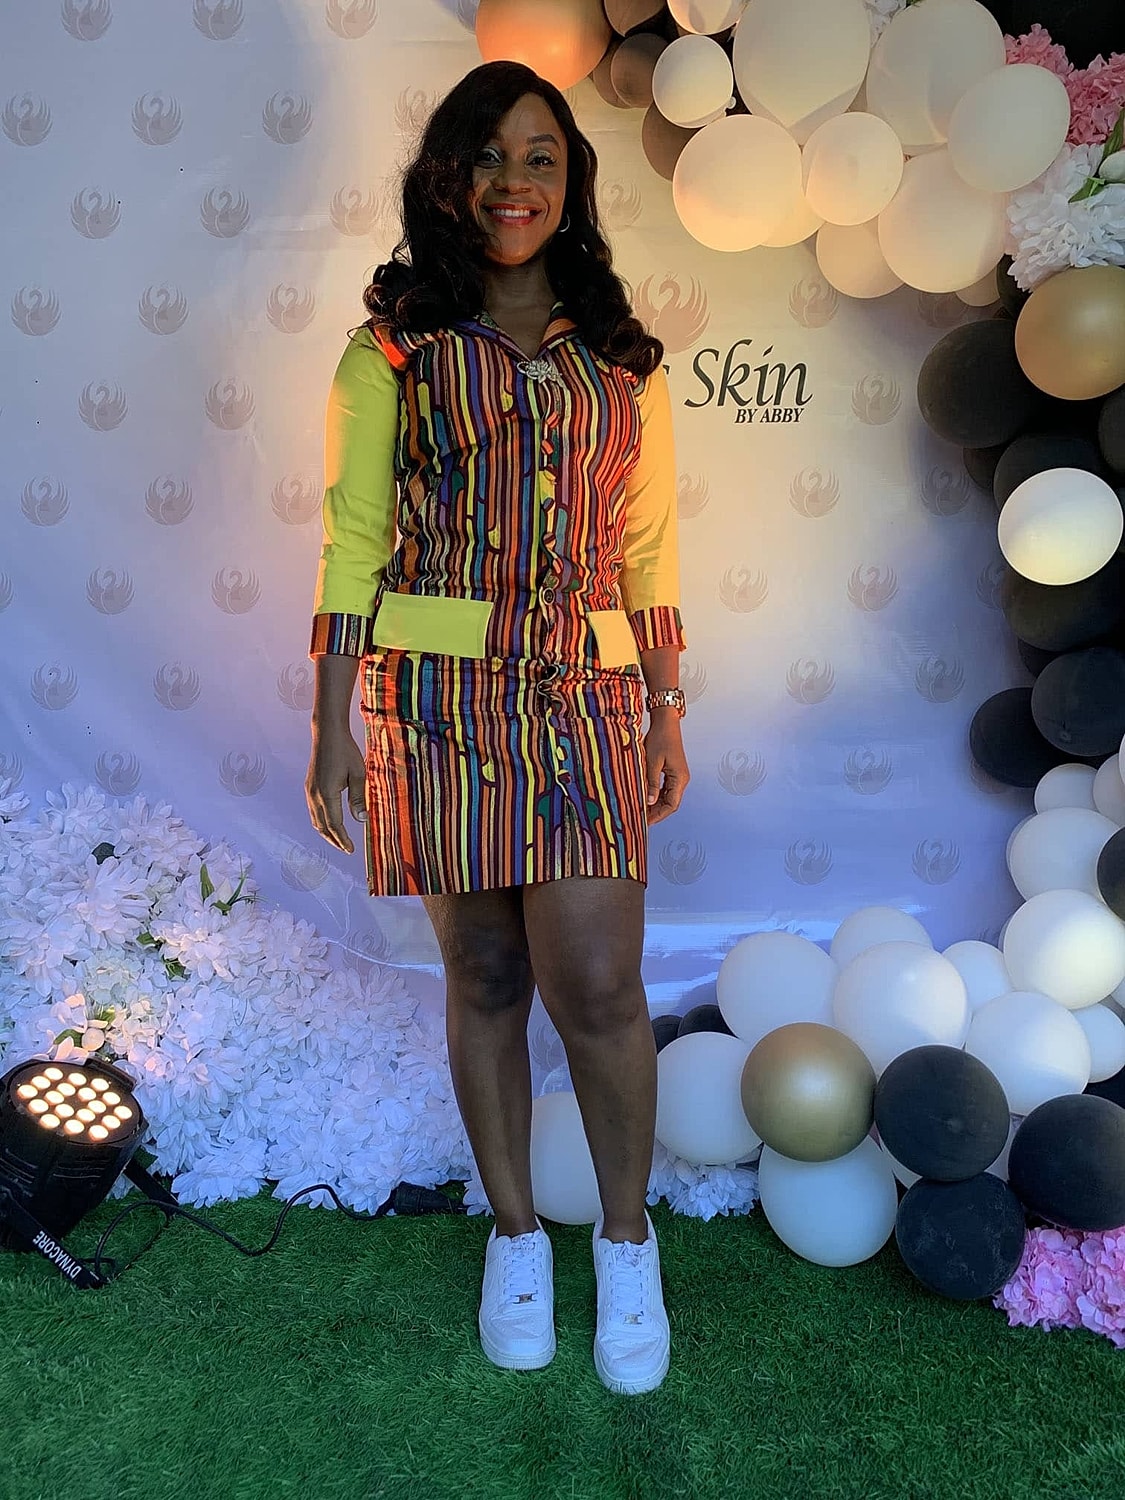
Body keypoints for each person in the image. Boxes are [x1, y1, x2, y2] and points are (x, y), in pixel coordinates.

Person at [305, 59, 689, 1397]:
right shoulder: (395, 348)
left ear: (569, 179)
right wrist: (330, 720)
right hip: (433, 707)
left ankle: (627, 1248)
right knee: (483, 982)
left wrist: (663, 703)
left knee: (597, 989)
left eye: (540, 156)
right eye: (489, 156)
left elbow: (646, 545)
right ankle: (517, 1236)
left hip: (582, 701)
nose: (514, 181)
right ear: (448, 180)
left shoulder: (620, 361)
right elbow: (355, 536)